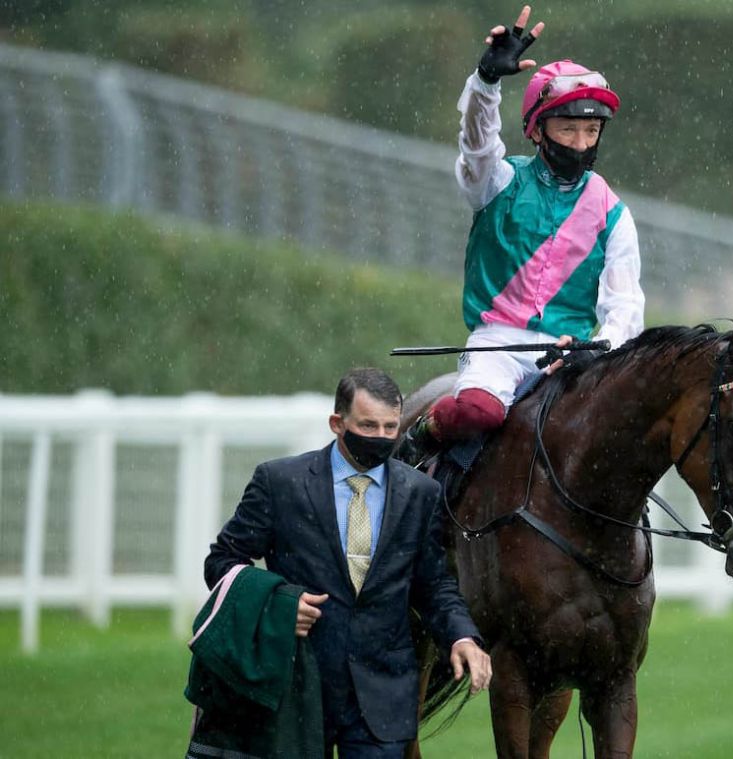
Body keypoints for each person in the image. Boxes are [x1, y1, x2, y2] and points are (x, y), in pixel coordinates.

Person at [395, 4, 645, 465]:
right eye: (567, 129)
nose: (581, 143)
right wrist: (486, 82)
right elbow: (476, 146)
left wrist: (597, 350)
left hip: (569, 358)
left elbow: (625, 307)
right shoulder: (498, 181)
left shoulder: (614, 214)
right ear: (536, 130)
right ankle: (422, 437)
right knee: (479, 411)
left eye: (591, 130)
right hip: (497, 348)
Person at [205, 367, 492, 758]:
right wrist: (277, 604)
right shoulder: (280, 482)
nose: (381, 437)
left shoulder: (421, 493)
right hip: (298, 688)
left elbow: (433, 584)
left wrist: (462, 637)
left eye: (390, 427)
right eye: (368, 426)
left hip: (383, 698)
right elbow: (221, 561)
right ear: (337, 424)